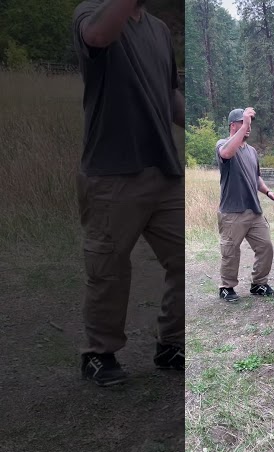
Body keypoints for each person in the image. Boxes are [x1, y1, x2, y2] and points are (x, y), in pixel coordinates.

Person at [72, 0, 185, 386]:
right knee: (109, 267)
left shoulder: (159, 30)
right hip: (111, 171)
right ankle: (99, 354)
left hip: (164, 169)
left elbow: (170, 96)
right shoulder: (91, 13)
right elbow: (99, 35)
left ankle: (171, 345)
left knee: (186, 256)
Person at [216, 107, 274, 302]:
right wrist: (245, 124)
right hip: (232, 212)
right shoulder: (223, 144)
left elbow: (256, 177)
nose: (248, 128)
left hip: (254, 211)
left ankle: (258, 284)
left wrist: (268, 191)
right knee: (231, 251)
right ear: (233, 125)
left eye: (250, 124)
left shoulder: (252, 151)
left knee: (266, 246)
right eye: (243, 123)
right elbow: (227, 153)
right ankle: (227, 288)